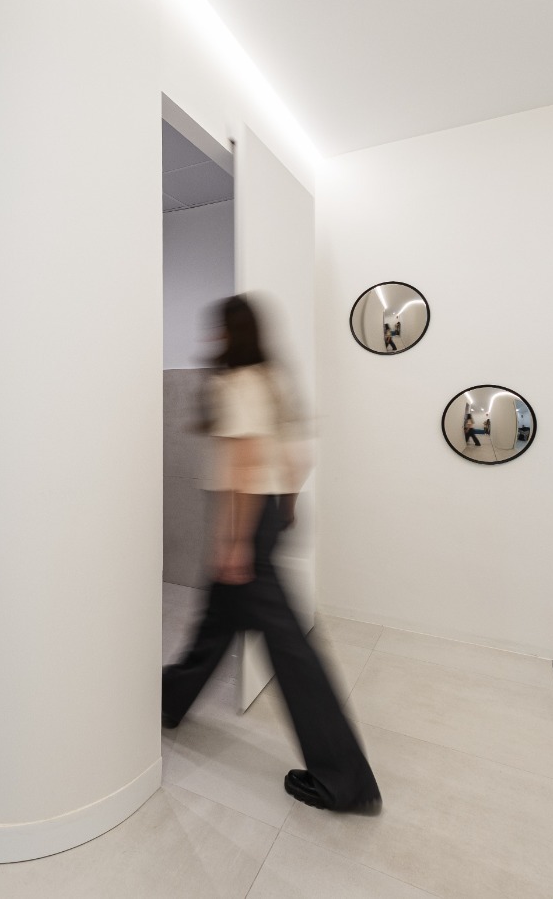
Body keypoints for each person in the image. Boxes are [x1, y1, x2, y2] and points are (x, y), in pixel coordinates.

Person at [163, 294, 381, 812]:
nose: (211, 338)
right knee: (216, 622)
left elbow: (242, 466)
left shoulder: (237, 383)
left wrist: (234, 543)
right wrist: (284, 507)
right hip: (268, 514)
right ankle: (170, 699)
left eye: (217, 329)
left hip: (243, 519)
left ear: (229, 333)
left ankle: (343, 780)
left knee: (289, 649)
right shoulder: (272, 380)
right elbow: (298, 457)